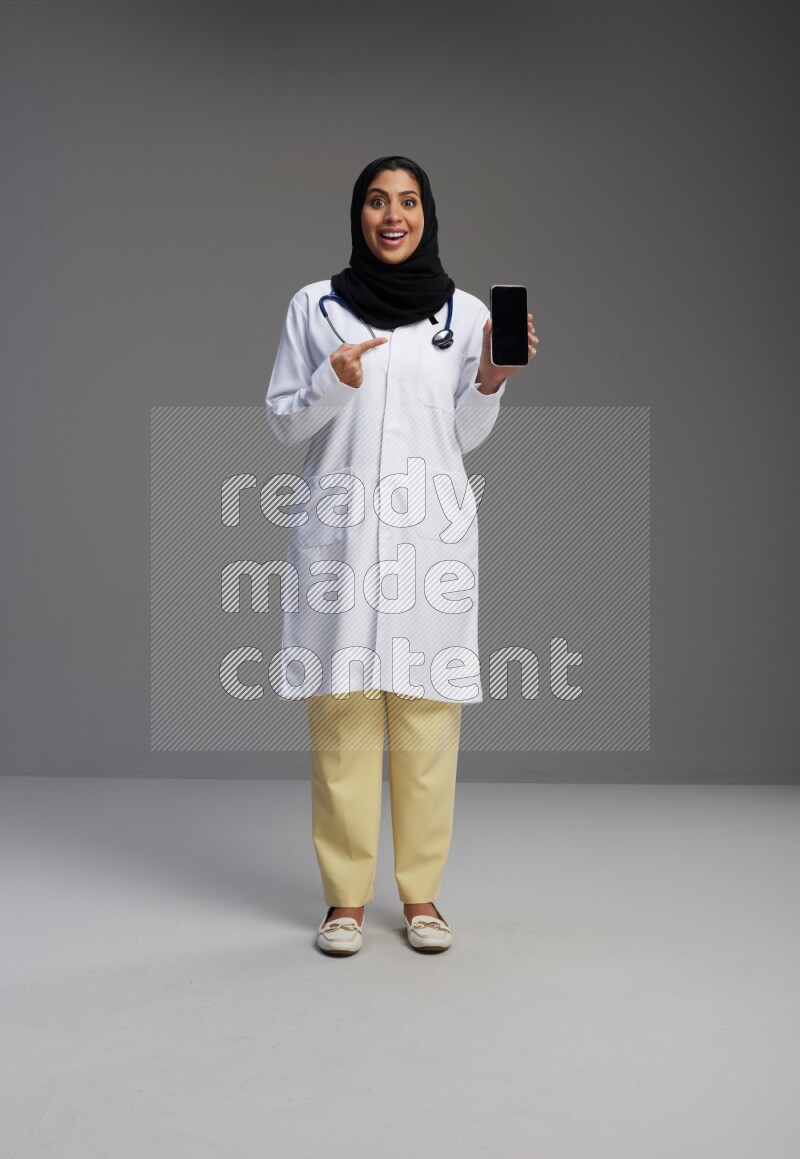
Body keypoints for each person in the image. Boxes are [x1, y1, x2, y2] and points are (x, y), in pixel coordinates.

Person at [265, 155, 538, 955]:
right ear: (358, 213)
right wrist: (332, 379)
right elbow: (285, 422)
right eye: (378, 201)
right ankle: (344, 901)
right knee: (344, 716)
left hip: (430, 541)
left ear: (427, 215)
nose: (393, 215)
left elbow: (465, 437)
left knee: (426, 720)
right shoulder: (314, 308)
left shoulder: (465, 312)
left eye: (408, 202)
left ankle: (422, 898)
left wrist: (490, 375)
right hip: (342, 536)